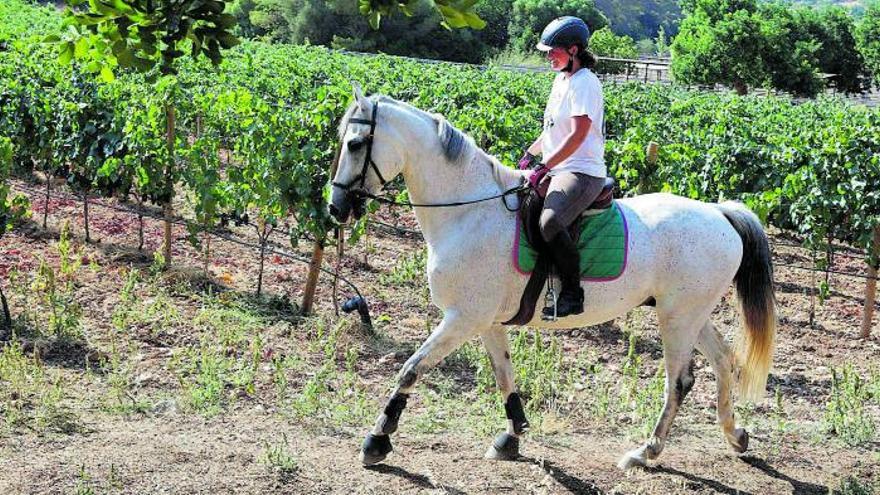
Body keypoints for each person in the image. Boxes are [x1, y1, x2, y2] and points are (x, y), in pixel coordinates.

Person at [519, 16, 606, 318]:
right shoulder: (561, 80)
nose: (548, 56)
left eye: (552, 51)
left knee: (550, 222)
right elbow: (552, 131)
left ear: (573, 50)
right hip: (558, 167)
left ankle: (573, 293)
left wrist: (545, 166)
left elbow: (578, 134)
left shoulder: (585, 83)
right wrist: (528, 156)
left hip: (581, 171)